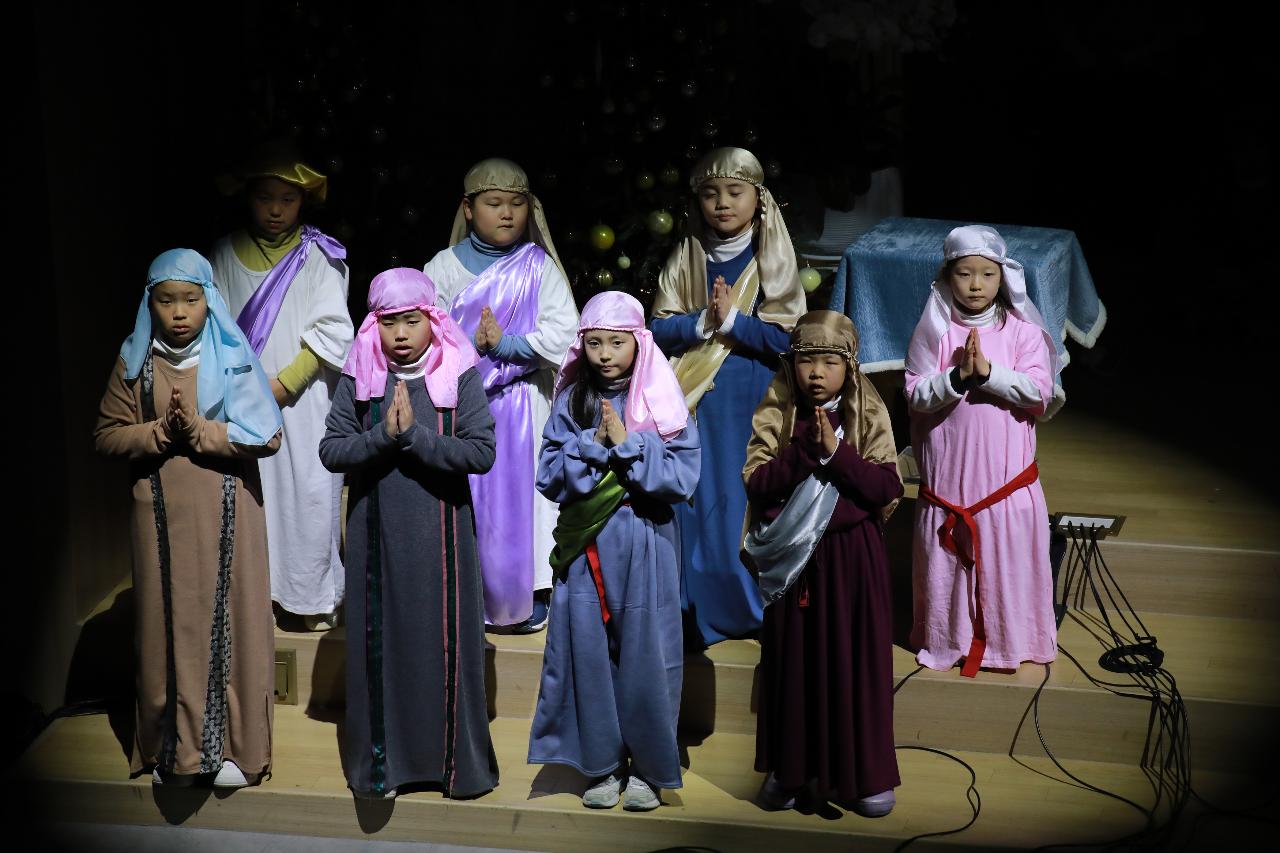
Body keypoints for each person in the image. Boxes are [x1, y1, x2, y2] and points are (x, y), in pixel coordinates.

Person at [95, 248, 282, 788]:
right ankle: (173, 751)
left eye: (191, 300)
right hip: (159, 513)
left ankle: (236, 751)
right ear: (149, 304)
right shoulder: (135, 360)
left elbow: (267, 434)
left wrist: (201, 431)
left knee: (233, 621)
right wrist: (158, 433)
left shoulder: (234, 354)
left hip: (228, 509)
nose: (179, 312)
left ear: (209, 301)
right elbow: (106, 435)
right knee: (166, 623)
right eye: (166, 300)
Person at [319, 268, 497, 799]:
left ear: (433, 321)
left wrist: (415, 438)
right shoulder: (361, 374)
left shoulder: (459, 372)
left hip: (443, 538)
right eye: (388, 322)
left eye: (411, 321)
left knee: (443, 646)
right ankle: (384, 767)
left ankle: (453, 767)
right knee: (384, 648)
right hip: (376, 538)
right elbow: (332, 449)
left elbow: (481, 452)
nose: (399, 334)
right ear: (372, 325)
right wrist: (382, 437)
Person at [527, 291, 699, 812]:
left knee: (649, 657)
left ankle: (648, 768)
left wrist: (630, 445)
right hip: (587, 549)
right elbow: (548, 474)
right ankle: (601, 765)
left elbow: (683, 477)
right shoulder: (571, 400)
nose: (605, 354)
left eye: (617, 343)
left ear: (639, 343)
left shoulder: (663, 401)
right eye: (595, 343)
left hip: (645, 542)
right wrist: (592, 445)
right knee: (588, 653)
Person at [742, 310, 902, 816]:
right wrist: (804, 454)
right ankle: (789, 769)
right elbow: (757, 483)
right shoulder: (778, 412)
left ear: (848, 367)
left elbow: (886, 487)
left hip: (853, 561)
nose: (816, 373)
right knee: (794, 666)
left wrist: (837, 454)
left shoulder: (865, 413)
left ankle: (862, 775)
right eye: (806, 361)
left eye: (829, 362)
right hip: (796, 564)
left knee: (854, 666)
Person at [650, 147, 807, 648]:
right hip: (693, 398)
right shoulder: (687, 255)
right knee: (695, 501)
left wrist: (734, 323)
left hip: (750, 400)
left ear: (758, 199)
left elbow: (789, 339)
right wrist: (701, 323)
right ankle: (694, 608)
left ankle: (747, 605)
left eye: (734, 192)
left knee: (739, 500)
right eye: (710, 194)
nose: (722, 203)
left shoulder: (771, 258)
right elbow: (657, 329)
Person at [424, 158, 577, 633]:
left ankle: (529, 594)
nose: (507, 213)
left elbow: (565, 333)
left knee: (525, 504)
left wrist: (506, 346)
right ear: (468, 209)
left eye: (516, 203)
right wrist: (469, 351)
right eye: (494, 203)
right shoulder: (443, 267)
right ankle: (466, 592)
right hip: (461, 404)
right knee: (468, 501)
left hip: (523, 402)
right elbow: (426, 333)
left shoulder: (538, 267)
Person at [904, 225, 1059, 677]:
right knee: (948, 568)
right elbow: (914, 393)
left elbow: (1040, 393)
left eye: (987, 275)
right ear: (947, 277)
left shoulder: (1023, 333)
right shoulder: (933, 332)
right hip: (950, 484)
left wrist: (988, 374)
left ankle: (1011, 640)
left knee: (1005, 563)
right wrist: (956, 378)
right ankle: (947, 638)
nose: (976, 285)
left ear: (1002, 277)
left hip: (1003, 487)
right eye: (965, 274)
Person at [211, 147, 353, 630]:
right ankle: (258, 596)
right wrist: (249, 389)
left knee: (308, 494)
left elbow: (333, 330)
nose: (275, 209)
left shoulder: (320, 256)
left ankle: (309, 598)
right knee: (253, 496)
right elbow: (215, 329)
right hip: (241, 398)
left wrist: (286, 383)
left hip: (304, 400)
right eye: (265, 198)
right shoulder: (223, 255)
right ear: (248, 198)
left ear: (302, 202)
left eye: (287, 200)